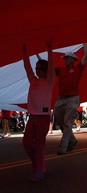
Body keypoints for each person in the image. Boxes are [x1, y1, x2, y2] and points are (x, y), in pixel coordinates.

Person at [22, 37, 55, 182]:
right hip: (32, 116)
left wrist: (49, 50)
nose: (37, 70)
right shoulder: (33, 80)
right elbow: (27, 67)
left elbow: (52, 66)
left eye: (40, 68)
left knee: (39, 144)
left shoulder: (49, 81)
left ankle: (39, 170)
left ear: (46, 70)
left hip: (43, 117)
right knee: (27, 143)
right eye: (37, 68)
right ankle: (37, 165)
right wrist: (24, 53)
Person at [54, 43, 87, 155]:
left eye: (67, 57)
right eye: (65, 58)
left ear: (73, 59)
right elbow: (48, 67)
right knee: (59, 120)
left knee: (68, 123)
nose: (65, 59)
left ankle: (63, 146)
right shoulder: (60, 70)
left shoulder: (78, 68)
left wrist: (85, 42)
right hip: (61, 99)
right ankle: (72, 140)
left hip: (73, 98)